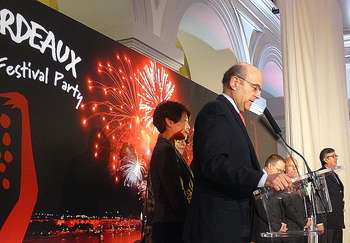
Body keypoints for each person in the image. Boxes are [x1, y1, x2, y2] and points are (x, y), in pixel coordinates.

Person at [183, 63, 292, 243]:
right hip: (218, 225)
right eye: (255, 88)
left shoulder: (234, 116)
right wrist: (264, 179)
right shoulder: (216, 110)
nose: (258, 95)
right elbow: (214, 164)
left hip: (235, 223)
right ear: (235, 82)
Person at [148, 101, 194, 243]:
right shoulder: (165, 150)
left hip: (171, 225)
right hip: (170, 228)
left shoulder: (168, 149)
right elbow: (175, 193)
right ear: (169, 122)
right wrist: (191, 221)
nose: (188, 127)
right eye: (184, 121)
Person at [252, 154, 288, 243]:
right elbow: (261, 208)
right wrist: (277, 226)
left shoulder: (275, 182)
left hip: (277, 230)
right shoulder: (258, 180)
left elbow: (280, 202)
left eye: (282, 172)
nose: (280, 174)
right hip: (263, 230)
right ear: (270, 165)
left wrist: (282, 221)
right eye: (279, 170)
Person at [281, 157, 312, 243]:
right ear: (284, 168)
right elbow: (288, 207)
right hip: (291, 228)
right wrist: (303, 222)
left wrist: (309, 217)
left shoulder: (300, 184)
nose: (295, 168)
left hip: (304, 228)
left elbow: (308, 202)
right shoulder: (283, 184)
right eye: (291, 166)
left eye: (296, 166)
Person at [317, 148, 344, 243]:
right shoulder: (321, 175)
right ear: (326, 160)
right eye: (333, 156)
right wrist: (319, 222)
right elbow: (318, 199)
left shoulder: (334, 175)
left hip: (337, 220)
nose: (336, 158)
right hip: (327, 221)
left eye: (336, 156)